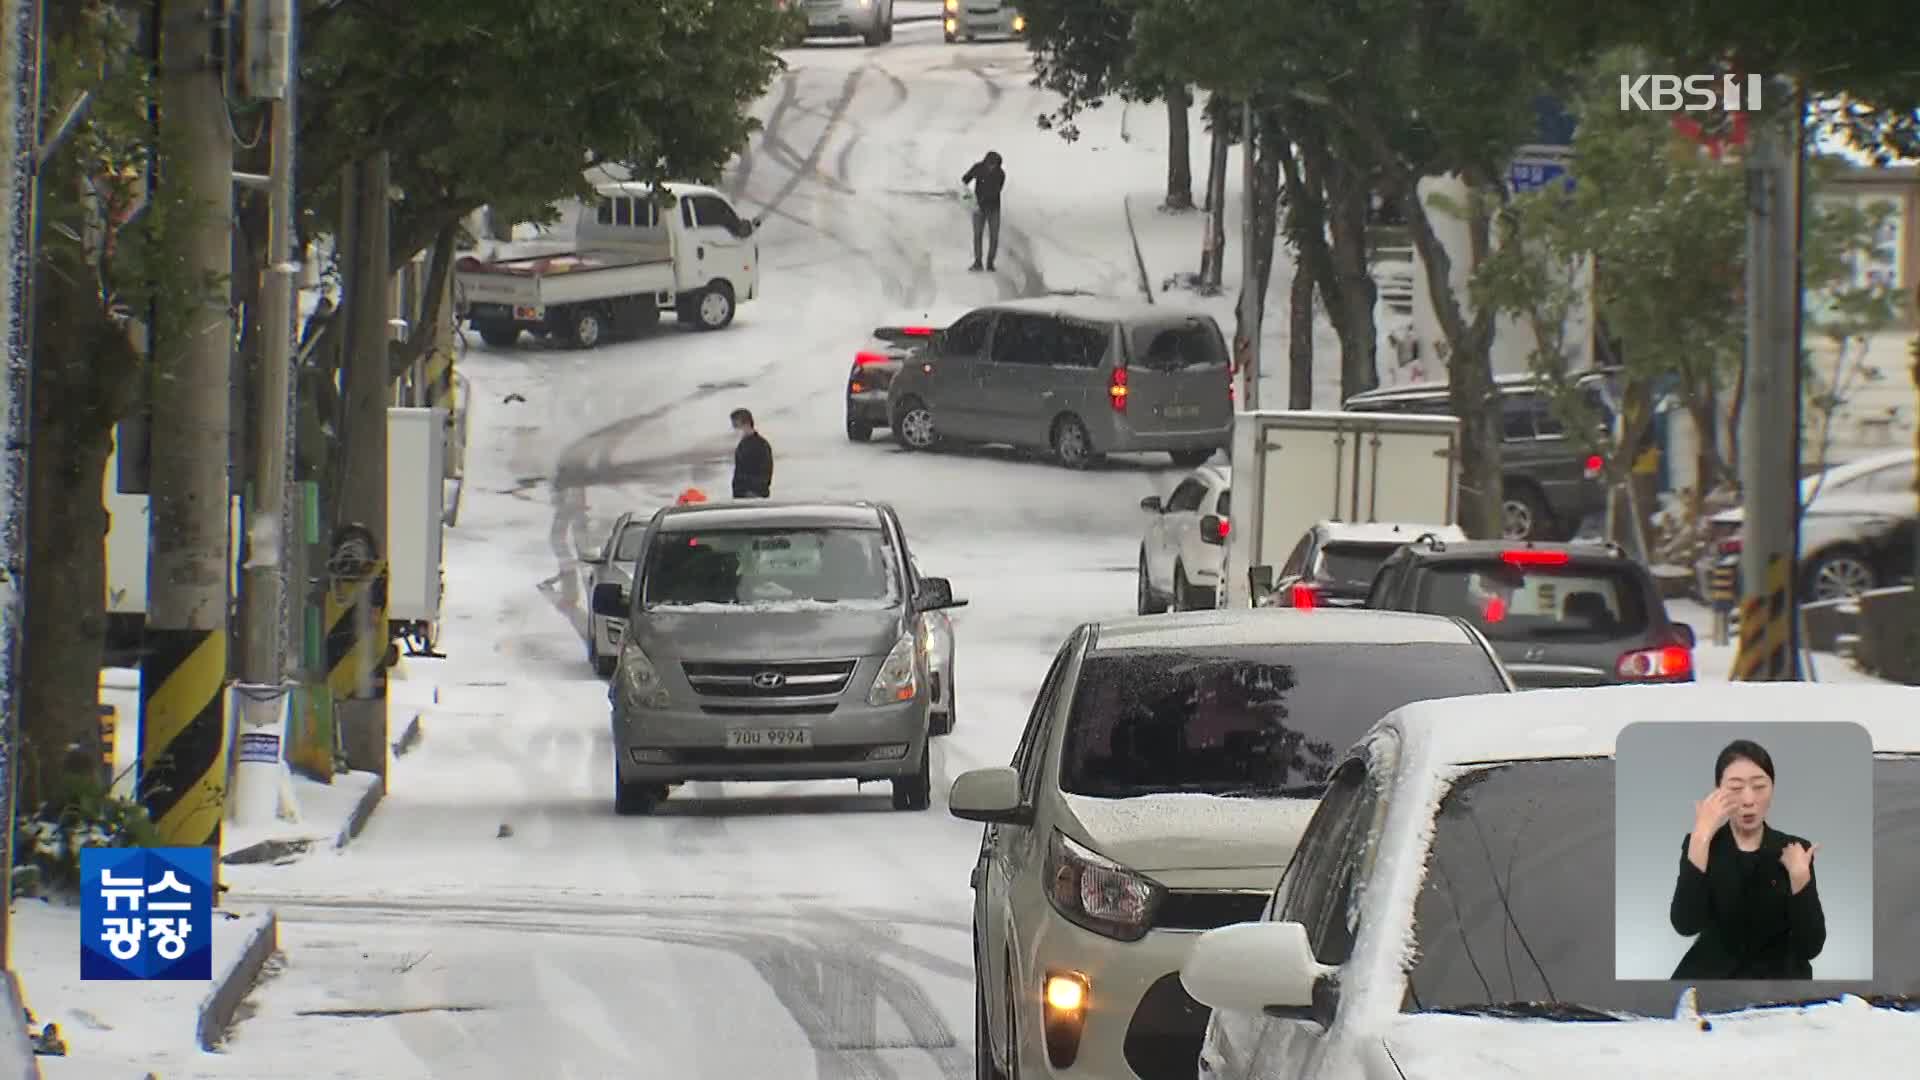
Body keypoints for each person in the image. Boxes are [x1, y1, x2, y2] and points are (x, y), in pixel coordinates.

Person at [1667, 738, 1826, 979]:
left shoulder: (1795, 850)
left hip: (1778, 982)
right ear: (1718, 791)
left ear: (1772, 787)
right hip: (1715, 979)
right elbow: (1686, 925)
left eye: (1759, 786)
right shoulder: (1701, 845)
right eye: (1735, 787)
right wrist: (1700, 838)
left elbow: (1811, 947)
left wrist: (1800, 877)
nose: (1749, 800)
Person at [961, 151, 1005, 272]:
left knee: (994, 236)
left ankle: (990, 262)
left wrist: (981, 199)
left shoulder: (1000, 174)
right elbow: (965, 179)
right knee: (977, 235)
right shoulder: (978, 168)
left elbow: (996, 191)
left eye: (995, 165)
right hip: (978, 208)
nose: (992, 167)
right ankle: (978, 262)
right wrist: (968, 195)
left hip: (994, 208)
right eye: (990, 164)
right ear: (986, 162)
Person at [730, 409, 773, 498]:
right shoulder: (742, 445)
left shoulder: (761, 445)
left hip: (754, 495)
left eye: (736, 425)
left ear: (746, 424)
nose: (735, 429)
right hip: (742, 495)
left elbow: (766, 472)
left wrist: (754, 491)